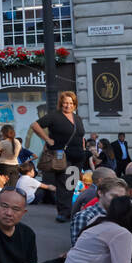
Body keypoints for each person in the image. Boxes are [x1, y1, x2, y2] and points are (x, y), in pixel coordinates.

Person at [29, 90, 86, 222]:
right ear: (61, 103)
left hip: (77, 155)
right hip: (61, 155)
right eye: (65, 103)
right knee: (63, 183)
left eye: (71, 103)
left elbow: (80, 135)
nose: (68, 105)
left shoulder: (77, 118)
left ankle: (68, 210)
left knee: (71, 184)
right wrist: (48, 140)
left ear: (74, 104)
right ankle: (63, 212)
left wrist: (83, 148)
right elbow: (35, 125)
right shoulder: (55, 116)